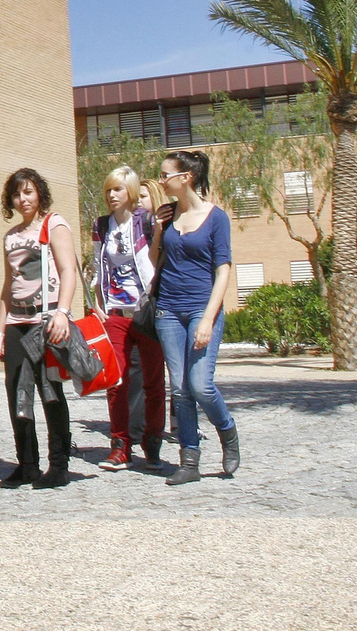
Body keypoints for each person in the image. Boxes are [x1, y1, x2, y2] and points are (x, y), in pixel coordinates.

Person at [148, 149, 240, 486]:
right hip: (168, 311)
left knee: (201, 385)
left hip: (203, 307)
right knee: (182, 389)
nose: (161, 180)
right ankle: (189, 460)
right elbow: (154, 258)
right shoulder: (168, 216)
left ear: (185, 177)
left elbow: (223, 269)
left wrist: (207, 319)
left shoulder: (217, 218)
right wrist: (158, 230)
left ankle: (227, 432)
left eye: (165, 175)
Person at [0, 167, 78, 489]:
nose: (22, 199)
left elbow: (68, 270)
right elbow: (8, 284)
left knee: (50, 392)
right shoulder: (11, 236)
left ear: (39, 192)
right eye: (17, 194)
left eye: (28, 192)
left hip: (47, 320)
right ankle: (26, 464)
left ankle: (59, 466)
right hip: (17, 320)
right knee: (17, 393)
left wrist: (63, 313)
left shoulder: (54, 224)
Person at [91, 166, 167, 472]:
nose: (112, 195)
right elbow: (98, 266)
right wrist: (97, 303)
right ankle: (120, 445)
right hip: (116, 313)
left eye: (118, 189)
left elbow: (160, 259)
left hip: (146, 312)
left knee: (153, 382)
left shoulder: (145, 221)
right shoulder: (101, 226)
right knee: (116, 381)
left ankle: (152, 444)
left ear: (131, 192)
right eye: (109, 189)